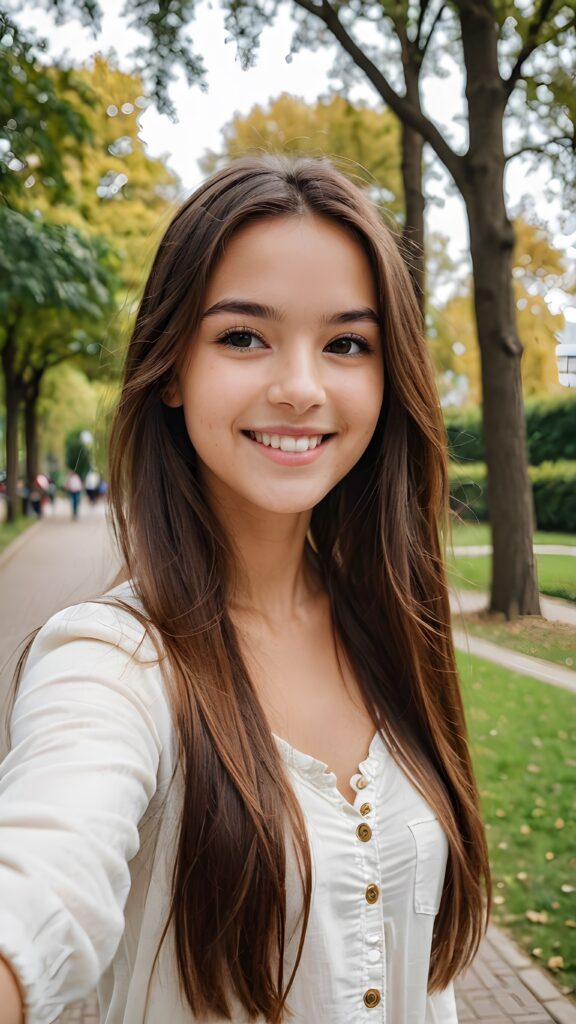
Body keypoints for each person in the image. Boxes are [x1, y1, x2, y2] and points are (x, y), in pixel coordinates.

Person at [0, 156, 490, 1024]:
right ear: (171, 369)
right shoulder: (112, 662)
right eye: (243, 337)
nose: (300, 387)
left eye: (347, 343)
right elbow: (42, 882)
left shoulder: (391, 627)